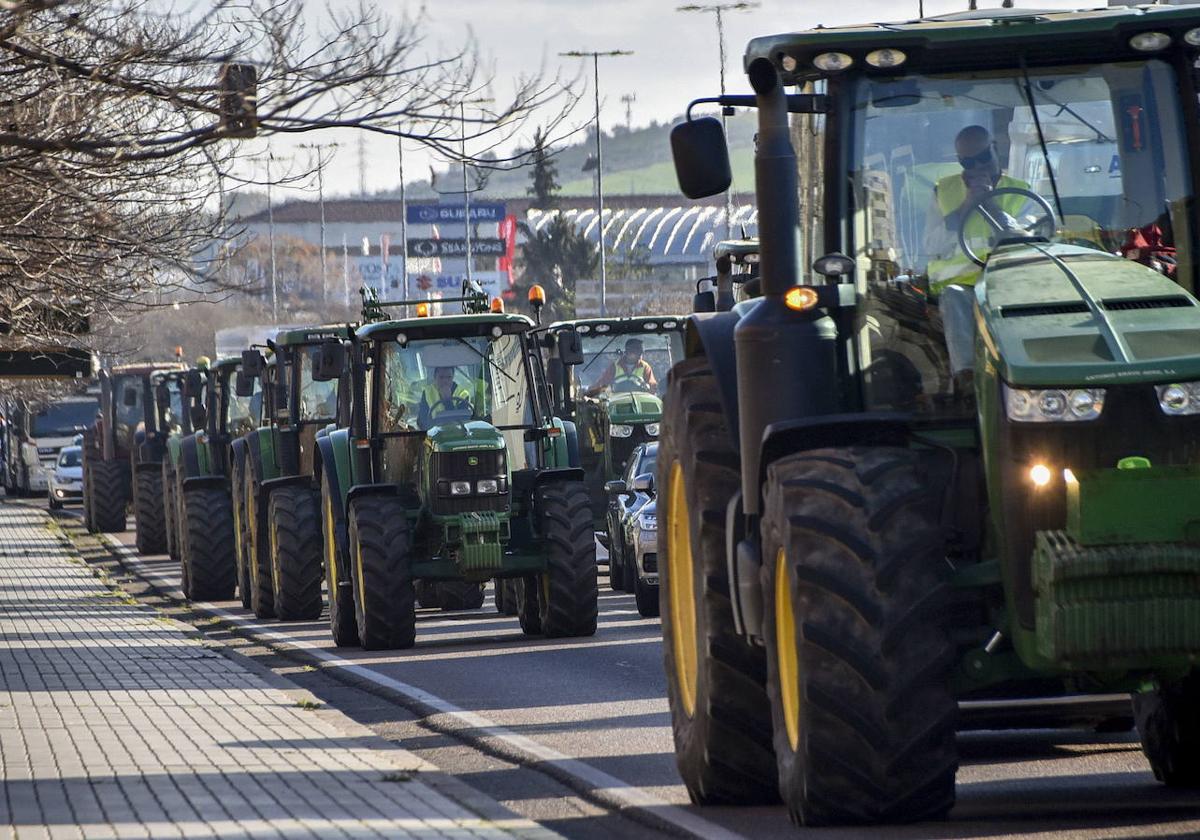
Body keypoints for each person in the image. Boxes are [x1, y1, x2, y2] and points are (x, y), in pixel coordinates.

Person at [924, 125, 1031, 294]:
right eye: (968, 162)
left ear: (994, 148)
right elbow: (932, 247)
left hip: (1008, 287)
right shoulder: (943, 190)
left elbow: (1030, 246)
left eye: (983, 157)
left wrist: (990, 204)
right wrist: (966, 206)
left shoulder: (1023, 192)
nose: (978, 166)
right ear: (960, 160)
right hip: (953, 291)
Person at [585, 338, 657, 397]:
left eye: (641, 353)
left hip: (640, 401)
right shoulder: (615, 366)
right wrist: (589, 393)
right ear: (629, 352)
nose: (640, 356)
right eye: (638, 353)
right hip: (617, 402)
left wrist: (649, 390)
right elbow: (602, 383)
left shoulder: (645, 367)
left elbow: (652, 386)